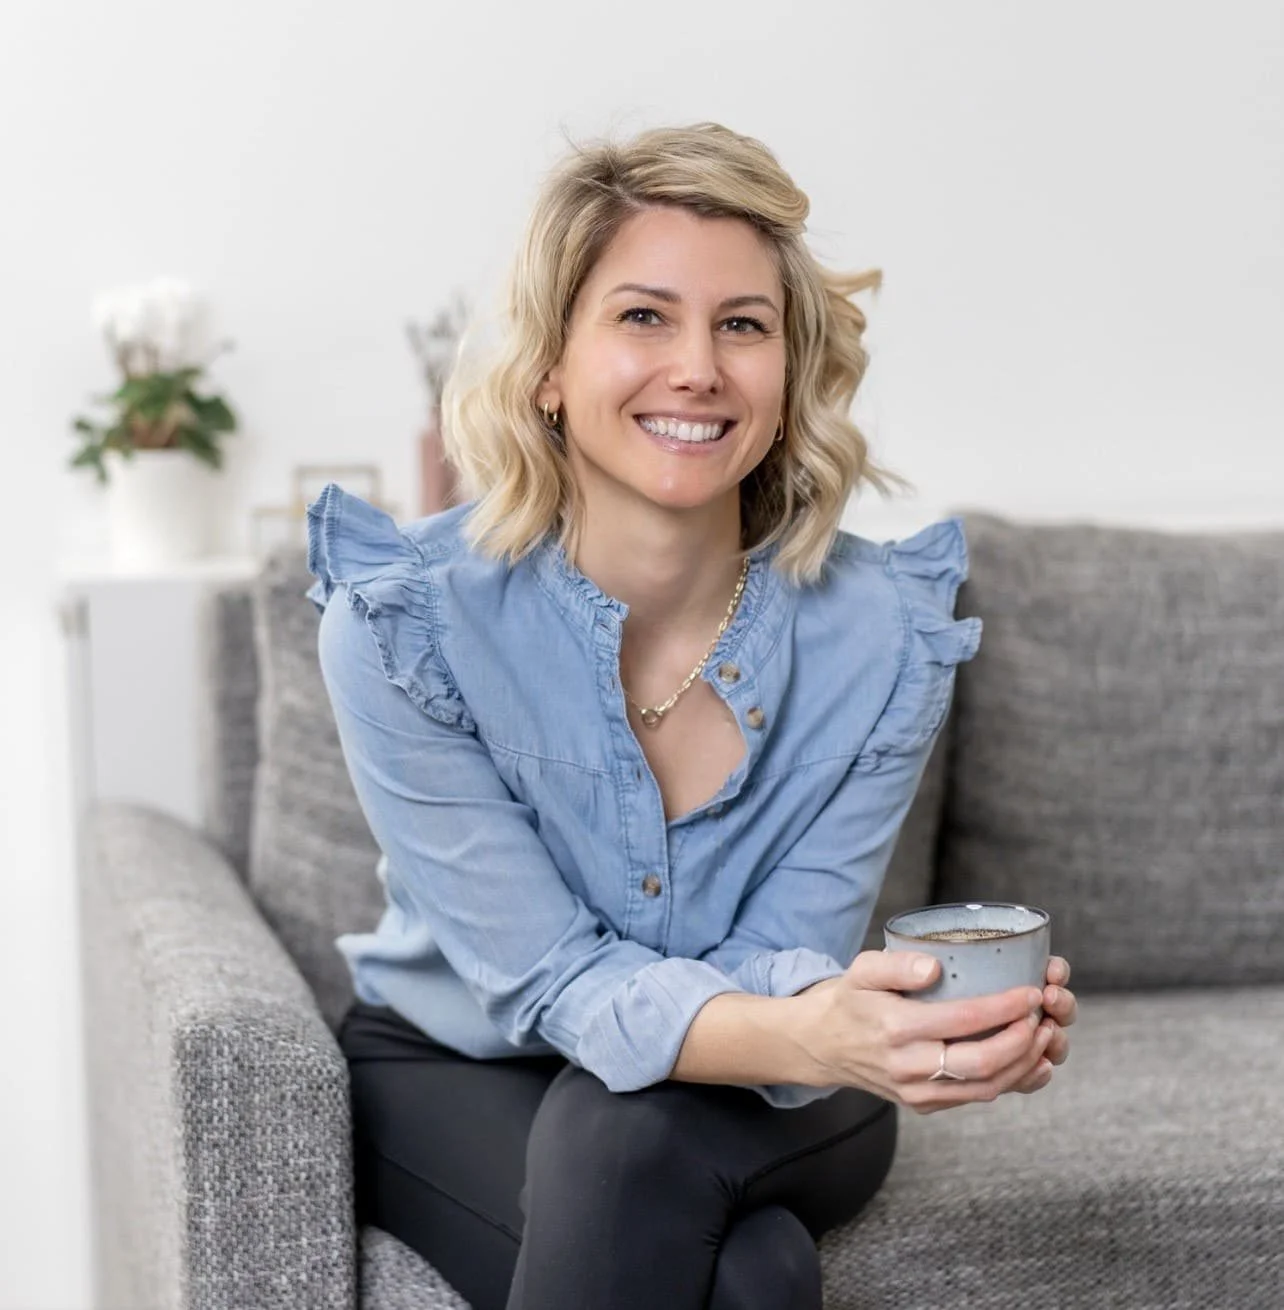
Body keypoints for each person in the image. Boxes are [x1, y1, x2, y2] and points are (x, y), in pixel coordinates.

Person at [305, 121, 1078, 1310]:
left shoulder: (886, 632)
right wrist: (821, 1033)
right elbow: (548, 978)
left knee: (624, 1139)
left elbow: (796, 949)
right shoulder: (407, 623)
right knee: (755, 1272)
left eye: (743, 325)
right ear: (549, 366)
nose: (698, 368)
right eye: (643, 316)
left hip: (786, 1067)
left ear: (789, 373)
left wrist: (861, 1030)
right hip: (461, 1053)